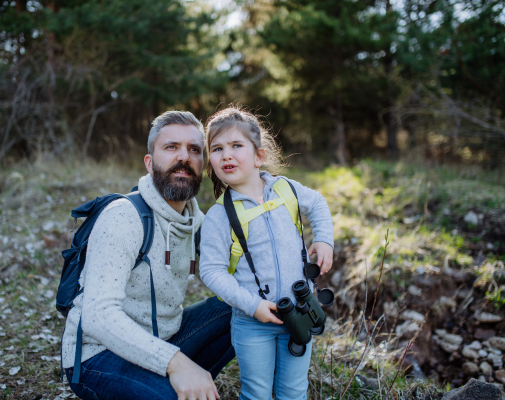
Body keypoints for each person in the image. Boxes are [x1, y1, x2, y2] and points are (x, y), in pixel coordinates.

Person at [61, 111, 235, 400]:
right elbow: (97, 316)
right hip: (98, 356)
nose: (184, 157)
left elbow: (242, 267)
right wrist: (175, 362)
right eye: (171, 147)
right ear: (149, 162)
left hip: (164, 340)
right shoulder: (123, 217)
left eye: (194, 149)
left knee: (240, 306)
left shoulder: (197, 222)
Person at [199, 107, 334, 400]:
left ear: (259, 156)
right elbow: (211, 270)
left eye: (236, 146)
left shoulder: (286, 189)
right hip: (252, 324)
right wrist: (251, 305)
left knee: (293, 392)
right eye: (217, 148)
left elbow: (319, 203)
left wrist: (324, 241)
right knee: (257, 393)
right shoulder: (219, 216)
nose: (226, 155)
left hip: (301, 312)